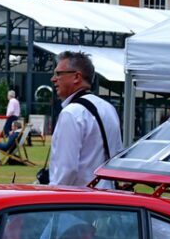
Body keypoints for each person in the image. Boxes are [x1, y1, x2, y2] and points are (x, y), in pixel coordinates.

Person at [45, 51, 121, 188]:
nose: (53, 79)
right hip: (109, 198)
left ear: (76, 77)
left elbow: (66, 171)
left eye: (58, 74)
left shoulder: (71, 113)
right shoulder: (108, 108)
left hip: (79, 201)